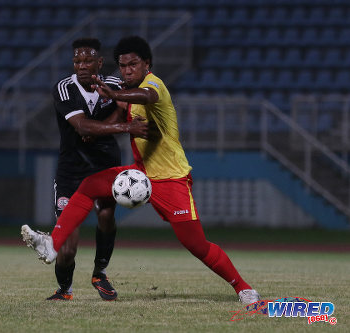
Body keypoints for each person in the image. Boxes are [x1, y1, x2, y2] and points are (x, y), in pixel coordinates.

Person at [22, 36, 260, 304]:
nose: (127, 71)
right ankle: (52, 244)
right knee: (88, 185)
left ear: (147, 64)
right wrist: (107, 122)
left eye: (133, 64)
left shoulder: (152, 84)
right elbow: (122, 112)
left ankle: (243, 288)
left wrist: (113, 94)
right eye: (122, 66)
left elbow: (146, 96)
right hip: (141, 173)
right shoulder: (126, 91)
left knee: (196, 245)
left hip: (171, 178)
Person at [42, 37, 148, 301]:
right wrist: (122, 128)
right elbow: (81, 126)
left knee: (105, 217)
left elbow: (126, 108)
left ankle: (99, 273)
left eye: (88, 60)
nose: (82, 65)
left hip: (104, 166)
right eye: (77, 60)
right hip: (71, 172)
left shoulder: (112, 84)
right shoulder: (64, 88)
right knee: (68, 247)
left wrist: (108, 126)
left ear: (100, 63)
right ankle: (64, 290)